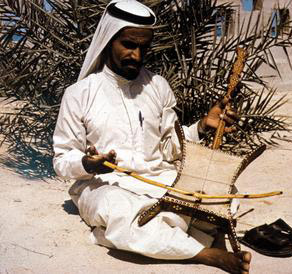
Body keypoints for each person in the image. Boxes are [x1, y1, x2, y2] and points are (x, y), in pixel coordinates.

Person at [52, 0, 251, 273]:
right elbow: (63, 158)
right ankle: (204, 253)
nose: (136, 55)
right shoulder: (79, 94)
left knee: (225, 192)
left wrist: (203, 126)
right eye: (129, 45)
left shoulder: (157, 86)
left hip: (159, 179)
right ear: (110, 41)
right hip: (105, 185)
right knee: (120, 213)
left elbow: (171, 148)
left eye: (143, 47)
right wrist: (89, 164)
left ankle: (177, 236)